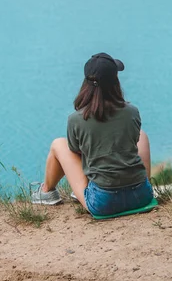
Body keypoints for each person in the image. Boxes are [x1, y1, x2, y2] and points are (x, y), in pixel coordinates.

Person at [30, 52, 154, 216]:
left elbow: (76, 151)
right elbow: (133, 140)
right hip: (142, 196)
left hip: (104, 202)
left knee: (58, 145)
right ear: (115, 81)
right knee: (142, 135)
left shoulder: (76, 119)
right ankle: (141, 183)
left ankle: (46, 192)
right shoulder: (132, 112)